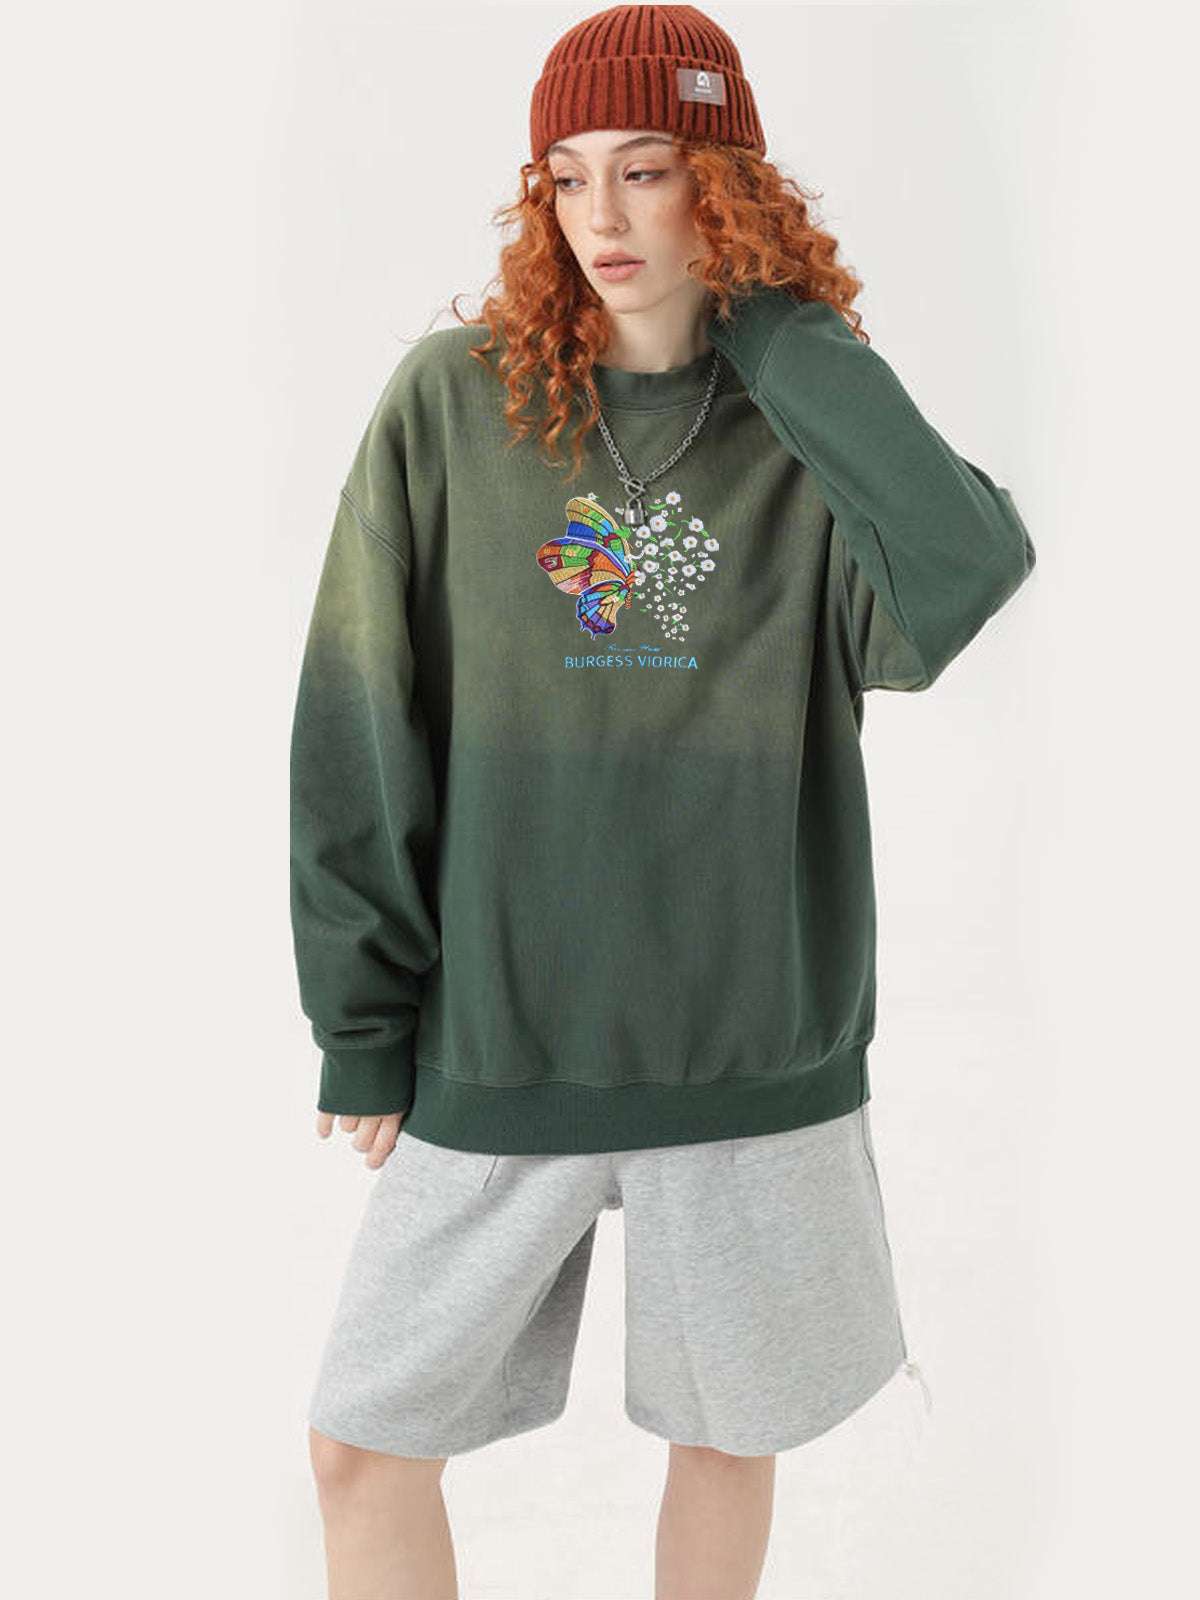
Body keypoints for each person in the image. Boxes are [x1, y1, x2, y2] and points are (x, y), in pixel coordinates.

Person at [289, 6, 1035, 1596]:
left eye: (647, 170)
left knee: (724, 1438)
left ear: (725, 186)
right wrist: (363, 1016)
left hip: (747, 1047)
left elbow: (966, 571)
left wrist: (787, 339)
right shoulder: (452, 404)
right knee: (361, 1445)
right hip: (503, 1036)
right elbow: (358, 718)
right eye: (567, 177)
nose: (603, 216)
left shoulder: (800, 430)